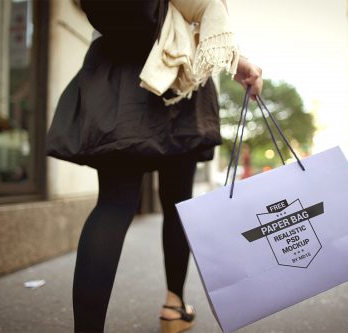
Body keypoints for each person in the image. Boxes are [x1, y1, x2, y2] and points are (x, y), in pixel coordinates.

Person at [45, 1, 263, 332]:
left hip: (119, 74)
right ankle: (174, 307)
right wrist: (238, 61)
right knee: (177, 203)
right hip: (178, 76)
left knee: (114, 204)